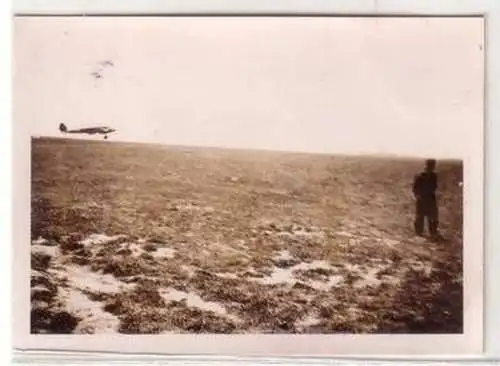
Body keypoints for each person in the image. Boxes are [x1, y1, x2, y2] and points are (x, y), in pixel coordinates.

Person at [412, 159, 439, 238]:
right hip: (422, 198)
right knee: (420, 216)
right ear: (427, 165)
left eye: (433, 166)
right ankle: (419, 232)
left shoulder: (434, 176)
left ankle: (433, 232)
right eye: (430, 165)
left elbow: (434, 186)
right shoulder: (420, 176)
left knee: (433, 216)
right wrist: (418, 196)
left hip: (430, 198)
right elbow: (415, 188)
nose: (432, 167)